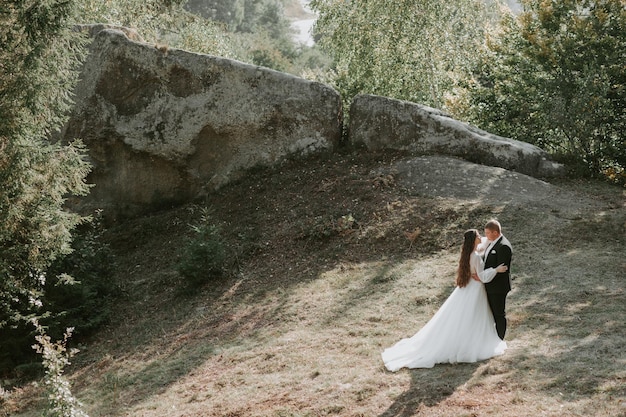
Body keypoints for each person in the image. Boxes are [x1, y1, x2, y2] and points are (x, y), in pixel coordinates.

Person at [381, 229, 507, 371]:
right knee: (474, 316)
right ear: (473, 240)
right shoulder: (476, 257)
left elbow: (483, 243)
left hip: (467, 288)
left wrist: (489, 240)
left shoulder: (467, 255)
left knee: (463, 317)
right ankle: (469, 344)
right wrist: (496, 270)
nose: (481, 237)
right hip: (476, 289)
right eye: (478, 236)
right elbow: (482, 276)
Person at [481, 219, 513, 340]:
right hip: (490, 285)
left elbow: (502, 269)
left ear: (495, 232)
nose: (486, 236)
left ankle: (500, 339)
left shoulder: (503, 246)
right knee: (493, 314)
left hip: (498, 287)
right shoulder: (491, 242)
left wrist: (485, 276)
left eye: (488, 233)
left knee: (499, 314)